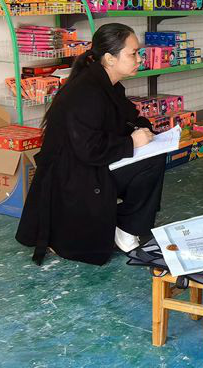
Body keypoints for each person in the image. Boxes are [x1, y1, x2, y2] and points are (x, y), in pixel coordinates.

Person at [15, 23, 166, 266]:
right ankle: (126, 229)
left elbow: (127, 117)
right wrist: (131, 141)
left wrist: (142, 129)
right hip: (74, 175)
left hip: (89, 163)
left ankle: (127, 226)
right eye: (133, 53)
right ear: (110, 58)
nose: (139, 59)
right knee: (150, 162)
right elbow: (89, 149)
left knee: (154, 154)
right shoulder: (86, 92)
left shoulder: (107, 84)